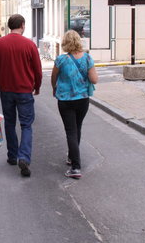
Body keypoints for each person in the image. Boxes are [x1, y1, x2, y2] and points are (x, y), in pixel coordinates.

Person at [0, 14, 42, 177]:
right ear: (23, 25)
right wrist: (37, 86)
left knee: (10, 123)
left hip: (6, 91)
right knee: (26, 125)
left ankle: (12, 155)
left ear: (9, 26)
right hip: (25, 90)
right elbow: (38, 70)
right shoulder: (29, 45)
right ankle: (24, 157)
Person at [51, 30, 98, 179]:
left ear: (65, 43)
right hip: (82, 100)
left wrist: (55, 88)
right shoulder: (87, 58)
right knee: (77, 128)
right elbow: (94, 79)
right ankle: (72, 158)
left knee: (71, 131)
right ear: (78, 41)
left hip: (65, 100)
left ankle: (75, 167)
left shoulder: (60, 60)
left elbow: (53, 78)